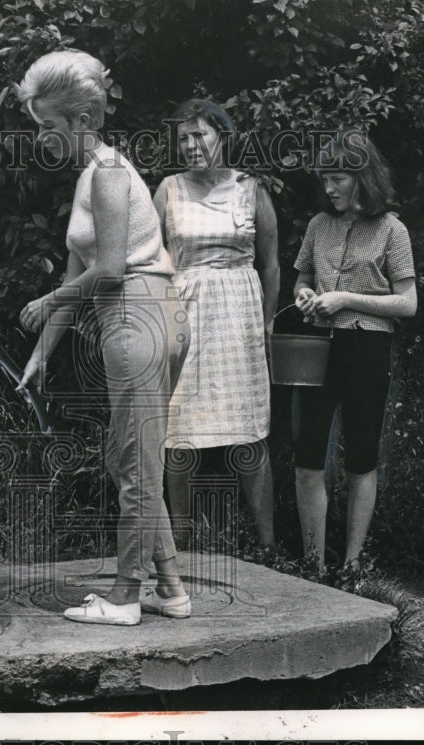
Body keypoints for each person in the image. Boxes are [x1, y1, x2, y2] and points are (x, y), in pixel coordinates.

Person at [15, 49, 191, 625]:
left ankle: (124, 597)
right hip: (130, 316)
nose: (42, 138)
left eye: (48, 127)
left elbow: (111, 268)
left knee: (136, 464)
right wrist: (40, 356)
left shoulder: (110, 173)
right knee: (127, 457)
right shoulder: (91, 177)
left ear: (81, 122)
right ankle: (170, 588)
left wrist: (48, 301)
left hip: (138, 311)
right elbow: (78, 275)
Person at [153, 99, 279, 549]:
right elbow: (152, 260)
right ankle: (179, 546)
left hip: (239, 315)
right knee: (178, 430)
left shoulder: (251, 187)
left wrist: (266, 326)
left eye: (199, 135)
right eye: (183, 138)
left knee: (248, 429)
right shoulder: (168, 188)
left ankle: (269, 548)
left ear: (222, 137)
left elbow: (271, 264)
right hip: (184, 310)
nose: (190, 145)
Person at [292, 132, 417, 570]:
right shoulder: (317, 226)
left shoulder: (392, 230)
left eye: (337, 179)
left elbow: (407, 302)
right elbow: (301, 280)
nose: (329, 189)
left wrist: (346, 298)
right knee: (308, 456)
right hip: (317, 347)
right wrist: (306, 294)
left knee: (361, 457)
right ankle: (313, 563)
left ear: (362, 178)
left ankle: (352, 565)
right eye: (325, 180)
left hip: (367, 346)